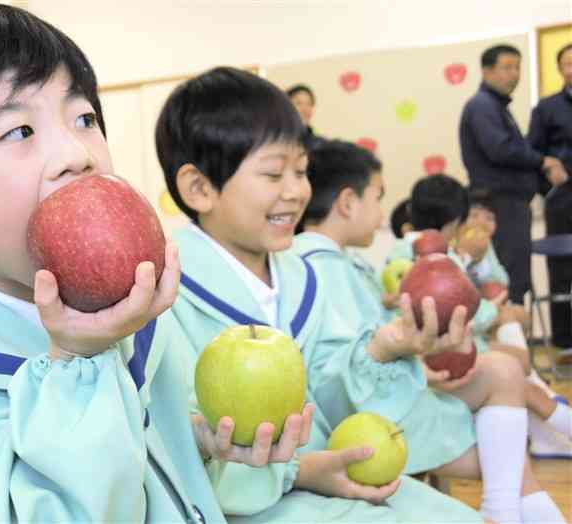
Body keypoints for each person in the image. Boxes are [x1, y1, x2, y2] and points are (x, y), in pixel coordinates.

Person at [0, 7, 312, 521]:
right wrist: (78, 364)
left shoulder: (120, 310)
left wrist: (204, 450)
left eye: (84, 118)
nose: (77, 153)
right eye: (18, 131)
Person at [157, 67, 485, 523]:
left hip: (333, 476)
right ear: (199, 188)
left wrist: (384, 348)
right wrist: (300, 470)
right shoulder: (165, 296)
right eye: (274, 174)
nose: (297, 192)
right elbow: (182, 441)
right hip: (244, 507)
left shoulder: (301, 277)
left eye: (302, 171)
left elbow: (328, 400)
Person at [292, 141, 566, 524]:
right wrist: (416, 366)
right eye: (378, 196)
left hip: (392, 394)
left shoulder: (340, 262)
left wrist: (416, 358)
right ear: (347, 202)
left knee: (504, 379)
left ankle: (504, 509)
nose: (382, 211)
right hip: (373, 415)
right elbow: (341, 371)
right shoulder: (318, 267)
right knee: (507, 442)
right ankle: (510, 505)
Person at [459, 188, 572, 459]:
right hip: (466, 336)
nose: (482, 223)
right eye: (475, 215)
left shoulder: (485, 252)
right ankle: (546, 404)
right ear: (459, 219)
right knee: (515, 348)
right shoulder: (455, 254)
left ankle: (546, 427)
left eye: (490, 218)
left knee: (513, 321)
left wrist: (482, 260)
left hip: (480, 328)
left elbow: (501, 285)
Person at [459, 44, 569, 305]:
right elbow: (500, 149)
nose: (515, 74)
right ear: (486, 71)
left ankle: (515, 340)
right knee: (507, 281)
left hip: (511, 204)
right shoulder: (482, 106)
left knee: (515, 278)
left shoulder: (497, 107)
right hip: (500, 204)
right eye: (507, 67)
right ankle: (510, 342)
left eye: (518, 67)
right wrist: (543, 161)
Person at [528, 42, 572, 355]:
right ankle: (565, 342)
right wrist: (550, 187)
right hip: (563, 201)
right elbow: (532, 156)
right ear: (560, 70)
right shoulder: (546, 109)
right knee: (562, 271)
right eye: (568, 63)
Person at [286, 84, 324, 150]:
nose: (305, 109)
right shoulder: (276, 139)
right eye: (298, 103)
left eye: (309, 104)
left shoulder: (318, 145)